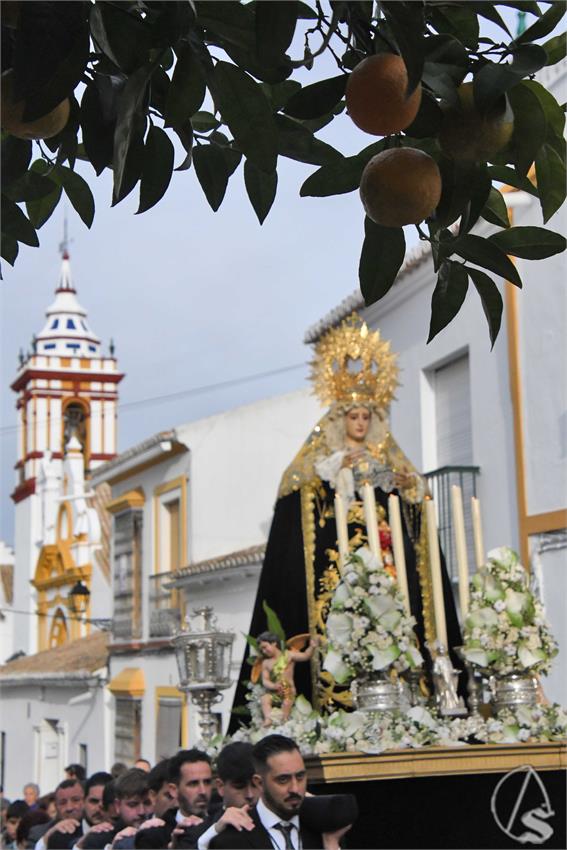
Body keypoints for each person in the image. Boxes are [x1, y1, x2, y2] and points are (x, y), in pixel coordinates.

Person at [230, 315, 463, 724]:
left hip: (384, 559)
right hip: (336, 567)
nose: (360, 423)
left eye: (365, 417)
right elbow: (296, 493)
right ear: (341, 419)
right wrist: (334, 470)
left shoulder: (384, 456)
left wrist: (406, 484)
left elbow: (411, 496)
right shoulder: (321, 461)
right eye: (353, 416)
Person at [209, 736, 351, 850]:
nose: (295, 789)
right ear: (259, 783)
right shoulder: (232, 840)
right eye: (283, 780)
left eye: (300, 777)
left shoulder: (324, 831)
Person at [256, 633, 318, 727]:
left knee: (287, 702)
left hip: (288, 692)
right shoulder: (266, 663)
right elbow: (265, 680)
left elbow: (305, 656)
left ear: (273, 643)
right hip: (276, 692)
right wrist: (274, 686)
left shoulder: (289, 655)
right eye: (262, 650)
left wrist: (312, 647)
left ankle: (284, 722)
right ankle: (268, 719)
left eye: (265, 647)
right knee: (265, 699)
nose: (264, 651)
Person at [79, 769, 150, 849]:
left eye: (147, 803)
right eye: (133, 805)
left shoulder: (164, 832)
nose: (142, 811)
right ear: (118, 806)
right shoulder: (98, 841)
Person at [30, 779, 84, 850]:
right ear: (55, 806)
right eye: (63, 803)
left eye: (75, 800)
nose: (69, 808)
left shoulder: (97, 829)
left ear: (85, 801)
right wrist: (47, 839)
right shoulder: (39, 833)